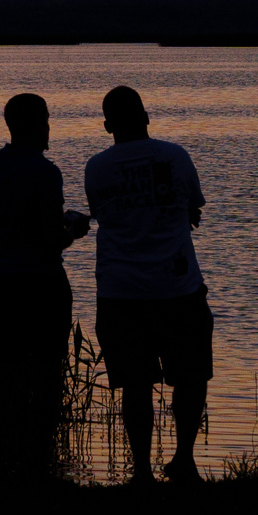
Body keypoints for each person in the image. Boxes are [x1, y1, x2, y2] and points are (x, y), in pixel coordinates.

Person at [82, 84, 210, 484]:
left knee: (134, 385)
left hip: (120, 292)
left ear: (107, 126)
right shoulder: (175, 155)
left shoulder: (96, 167)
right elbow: (193, 210)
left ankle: (140, 471)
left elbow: (103, 213)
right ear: (147, 117)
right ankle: (184, 461)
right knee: (189, 378)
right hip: (178, 288)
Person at [0, 94, 91, 479]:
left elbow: (18, 211)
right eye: (46, 120)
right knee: (46, 374)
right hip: (43, 284)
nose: (49, 127)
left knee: (3, 371)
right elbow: (50, 237)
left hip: (5, 282)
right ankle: (37, 464)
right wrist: (73, 229)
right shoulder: (46, 172)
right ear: (33, 125)